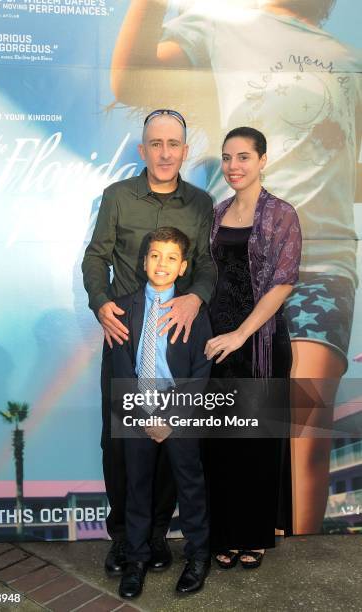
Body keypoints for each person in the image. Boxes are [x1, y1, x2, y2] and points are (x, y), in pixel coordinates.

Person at [111, 0, 362, 535]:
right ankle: (243, 529)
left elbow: (350, 165)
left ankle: (301, 554)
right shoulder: (219, 24)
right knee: (242, 414)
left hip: (324, 260)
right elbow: (130, 84)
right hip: (237, 262)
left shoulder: (348, 58)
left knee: (304, 415)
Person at [82, 109, 216, 575]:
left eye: (173, 144)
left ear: (184, 150)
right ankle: (123, 539)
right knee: (121, 444)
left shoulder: (201, 202)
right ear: (143, 150)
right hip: (125, 337)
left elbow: (206, 266)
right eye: (155, 144)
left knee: (173, 438)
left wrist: (196, 298)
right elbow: (96, 257)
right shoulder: (117, 196)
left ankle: (156, 536)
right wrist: (101, 304)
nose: (164, 152)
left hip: (176, 336)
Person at [204, 126, 301, 568]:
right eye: (227, 158)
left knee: (257, 443)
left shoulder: (281, 214)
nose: (233, 166)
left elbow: (283, 284)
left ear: (263, 160)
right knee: (222, 442)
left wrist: (241, 334)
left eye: (243, 157)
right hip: (217, 345)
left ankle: (255, 534)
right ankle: (224, 533)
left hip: (258, 343)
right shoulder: (218, 212)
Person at [111, 227, 212, 597]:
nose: (161, 263)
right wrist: (143, 415)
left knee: (190, 484)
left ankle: (198, 555)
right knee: (136, 487)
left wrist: (170, 418)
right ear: (143, 261)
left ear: (183, 267)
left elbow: (201, 369)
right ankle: (136, 560)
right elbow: (121, 367)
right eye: (155, 255)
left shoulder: (192, 310)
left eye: (171, 257)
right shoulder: (124, 308)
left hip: (178, 410)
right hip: (138, 407)